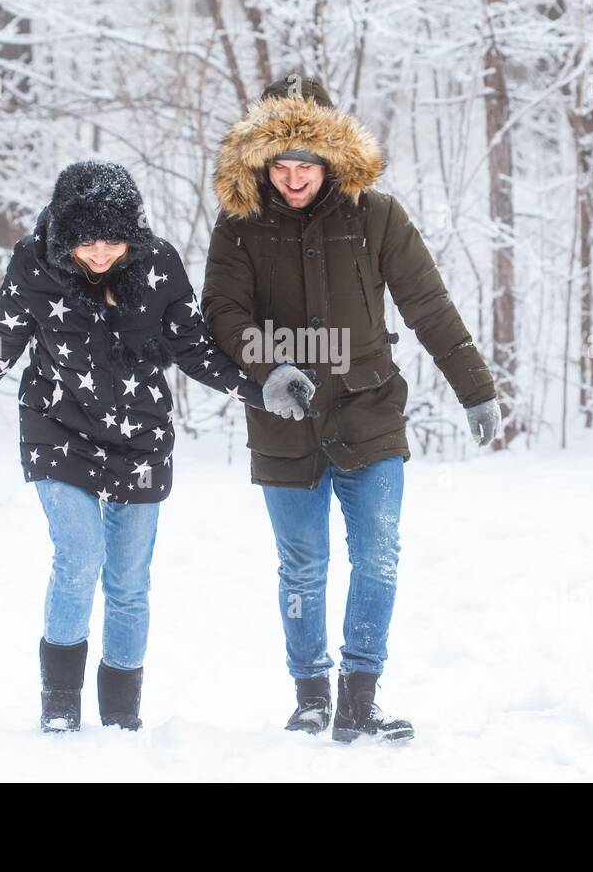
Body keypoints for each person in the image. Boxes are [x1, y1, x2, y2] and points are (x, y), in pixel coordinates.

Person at [0, 160, 294, 733]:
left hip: (140, 437)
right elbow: (3, 330)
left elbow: (195, 348)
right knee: (78, 557)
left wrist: (260, 388)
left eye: (113, 241)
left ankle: (121, 715)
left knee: (128, 582)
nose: (101, 254)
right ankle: (58, 706)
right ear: (64, 235)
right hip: (57, 427)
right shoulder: (35, 262)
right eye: (87, 243)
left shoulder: (158, 265)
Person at [203, 75, 503, 743]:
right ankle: (310, 695)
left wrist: (474, 387)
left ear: (330, 157)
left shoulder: (377, 216)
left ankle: (359, 700)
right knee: (303, 563)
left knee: (378, 554)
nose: (292, 177)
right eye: (278, 164)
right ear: (260, 162)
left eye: (303, 163)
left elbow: (428, 306)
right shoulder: (240, 225)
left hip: (369, 414)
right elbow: (221, 312)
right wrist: (268, 367)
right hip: (284, 421)